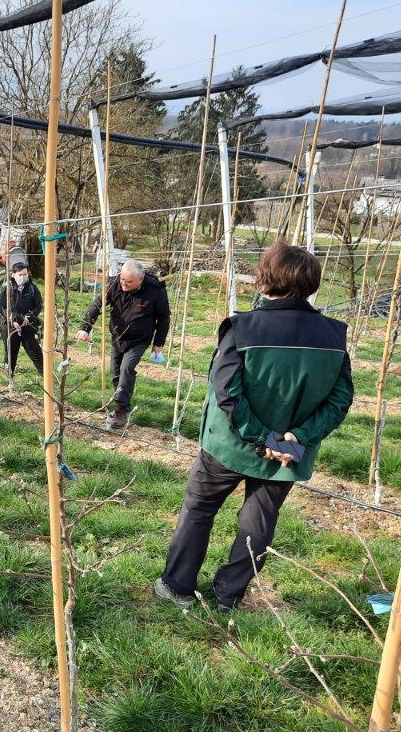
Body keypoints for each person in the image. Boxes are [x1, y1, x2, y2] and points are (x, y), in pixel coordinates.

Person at [154, 240, 353, 611]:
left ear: (266, 278)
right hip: (288, 453)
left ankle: (177, 585)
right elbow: (340, 399)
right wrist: (298, 437)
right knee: (259, 522)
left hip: (230, 446)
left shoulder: (243, 328)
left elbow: (226, 390)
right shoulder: (334, 336)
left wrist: (262, 438)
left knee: (198, 509)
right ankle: (229, 595)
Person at [77, 259, 170, 430]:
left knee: (127, 369)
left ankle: (121, 410)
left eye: (128, 282)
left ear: (140, 279)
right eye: (122, 280)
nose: (124, 284)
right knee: (115, 371)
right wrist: (85, 328)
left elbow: (164, 317)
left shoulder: (155, 290)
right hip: (117, 336)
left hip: (139, 339)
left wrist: (159, 343)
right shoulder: (115, 284)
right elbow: (97, 305)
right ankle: (118, 398)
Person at [0, 261, 43, 378]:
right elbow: (2, 307)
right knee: (11, 351)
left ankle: (46, 376)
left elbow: (38, 306)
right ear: (13, 275)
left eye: (25, 274)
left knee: (34, 350)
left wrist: (29, 317)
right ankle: (9, 378)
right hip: (10, 324)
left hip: (28, 324)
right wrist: (12, 319)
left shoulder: (32, 288)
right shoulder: (7, 289)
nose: (23, 277)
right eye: (20, 275)